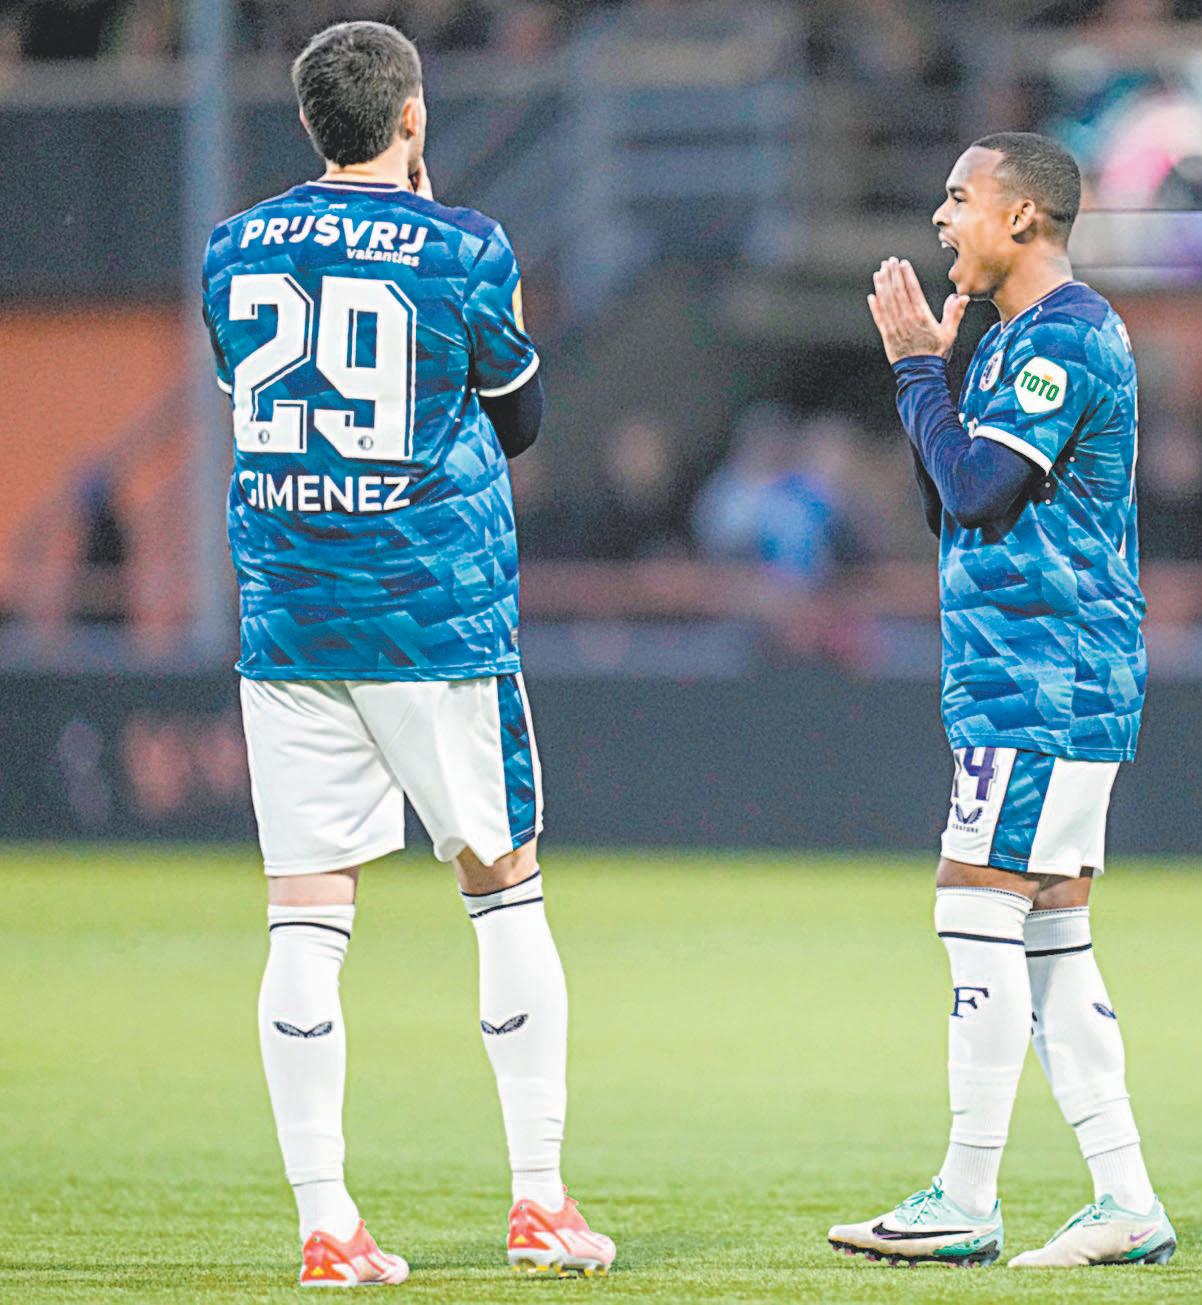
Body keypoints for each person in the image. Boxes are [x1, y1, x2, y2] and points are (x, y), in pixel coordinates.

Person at [200, 20, 614, 1286]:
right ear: (412, 118)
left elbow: (262, 404)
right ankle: (537, 1202)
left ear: (309, 122)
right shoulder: (463, 247)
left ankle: (326, 1225)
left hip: (289, 618)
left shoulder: (232, 248)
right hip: (431, 619)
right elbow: (521, 419)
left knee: (305, 915)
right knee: (504, 886)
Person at [827, 132, 1174, 1269]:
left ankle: (964, 1195)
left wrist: (914, 372)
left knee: (971, 904)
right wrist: (932, 373)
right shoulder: (1010, 342)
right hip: (1022, 676)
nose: (940, 218)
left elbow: (978, 491)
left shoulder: (1063, 337)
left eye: (958, 197)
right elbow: (949, 502)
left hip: (1046, 678)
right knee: (1052, 940)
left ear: (1020, 216)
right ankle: (1124, 1200)